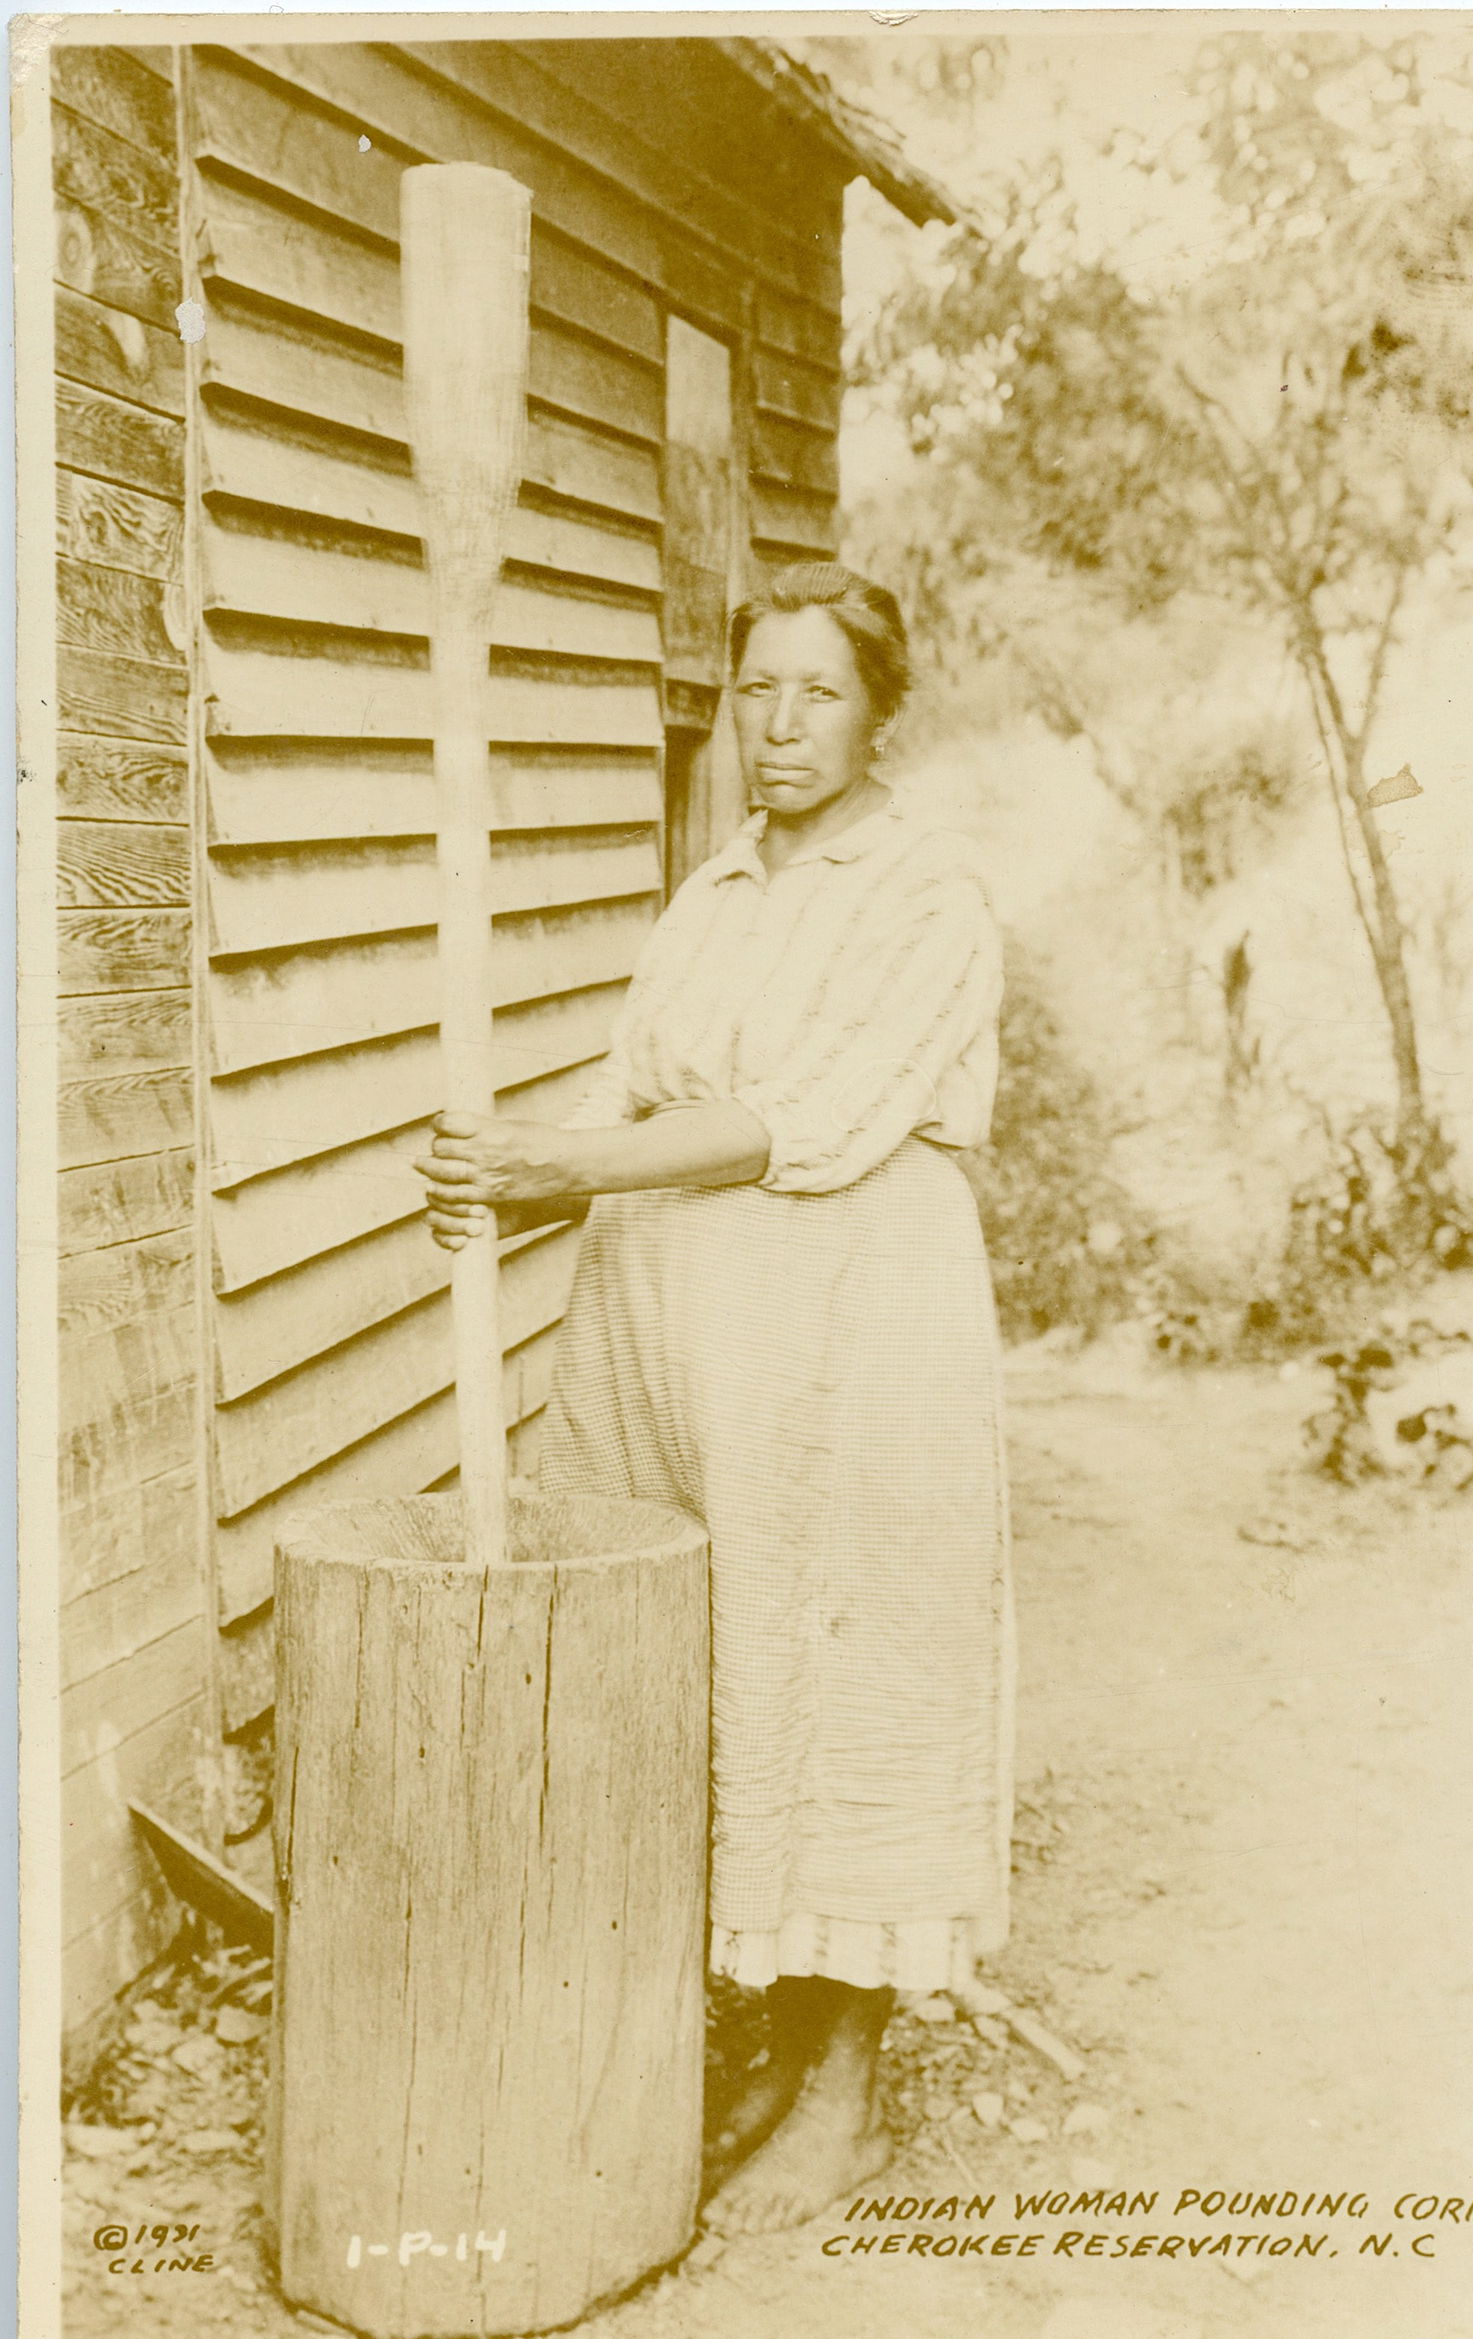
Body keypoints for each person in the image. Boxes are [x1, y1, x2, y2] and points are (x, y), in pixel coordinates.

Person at [417, 562, 1016, 2237]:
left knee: (847, 1666)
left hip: (851, 1336)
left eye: (819, 693)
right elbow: (627, 1084)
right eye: (757, 691)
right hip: (674, 1332)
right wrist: (503, 1158)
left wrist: (573, 1165)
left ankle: (845, 2084)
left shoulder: (931, 897)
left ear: (883, 710)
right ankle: (761, 2032)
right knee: (707, 1657)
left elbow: (809, 1119)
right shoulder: (717, 892)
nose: (780, 726)